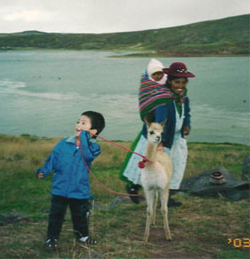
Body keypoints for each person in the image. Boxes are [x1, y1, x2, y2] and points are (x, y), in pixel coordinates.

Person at [120, 61, 196, 207]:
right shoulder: (163, 99)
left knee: (173, 167)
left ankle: (166, 198)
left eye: (183, 82)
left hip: (176, 139)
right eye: (177, 82)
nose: (180, 85)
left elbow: (186, 113)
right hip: (161, 139)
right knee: (151, 165)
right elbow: (160, 121)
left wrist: (187, 124)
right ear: (169, 81)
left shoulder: (183, 97)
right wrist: (159, 141)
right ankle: (134, 187)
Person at [37, 111, 105, 251]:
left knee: (80, 215)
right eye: (78, 121)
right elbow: (53, 159)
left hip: (79, 190)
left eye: (83, 123)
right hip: (60, 188)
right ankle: (52, 238)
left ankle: (82, 236)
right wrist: (44, 170)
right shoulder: (64, 143)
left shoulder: (94, 147)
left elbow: (87, 155)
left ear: (93, 132)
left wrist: (85, 138)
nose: (78, 125)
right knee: (56, 215)